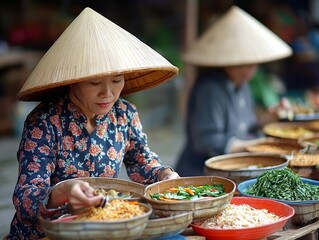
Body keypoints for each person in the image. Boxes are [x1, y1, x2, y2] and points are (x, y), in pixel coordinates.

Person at [5, 7, 179, 239]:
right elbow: (26, 197)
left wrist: (164, 175)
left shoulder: (125, 114)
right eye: (95, 82)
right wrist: (63, 192)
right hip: (47, 233)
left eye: (117, 80)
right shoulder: (44, 122)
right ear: (73, 81)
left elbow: (141, 163)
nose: (108, 93)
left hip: (103, 226)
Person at [175, 6, 293, 177]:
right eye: (242, 62)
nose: (250, 68)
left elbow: (245, 126)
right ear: (225, 60)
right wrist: (254, 146)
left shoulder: (241, 84)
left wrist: (268, 118)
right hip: (201, 177)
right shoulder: (210, 89)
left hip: (234, 171)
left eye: (253, 61)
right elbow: (207, 141)